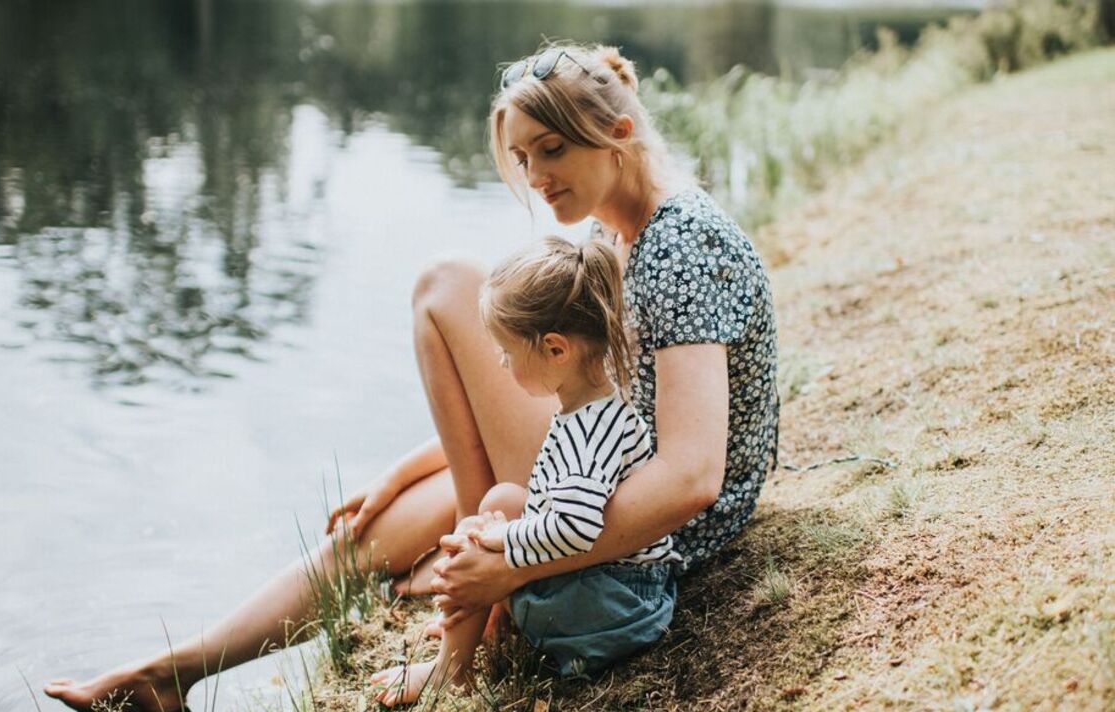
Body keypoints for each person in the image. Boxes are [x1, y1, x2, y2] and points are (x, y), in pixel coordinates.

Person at [44, 42, 777, 711]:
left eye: (550, 150)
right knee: (366, 531)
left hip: (655, 522)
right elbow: (581, 394)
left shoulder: (681, 244)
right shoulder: (611, 230)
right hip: (602, 463)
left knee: (447, 286)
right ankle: (176, 672)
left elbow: (691, 478)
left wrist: (510, 563)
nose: (536, 177)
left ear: (619, 136)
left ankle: (474, 589)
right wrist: (407, 468)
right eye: (523, 159)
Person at [370, 236, 680, 706]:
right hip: (625, 593)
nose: (499, 362)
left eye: (508, 353)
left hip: (617, 611)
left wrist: (499, 548)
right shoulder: (593, 406)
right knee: (499, 504)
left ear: (556, 350)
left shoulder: (588, 432)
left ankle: (450, 670)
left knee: (482, 531)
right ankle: (474, 633)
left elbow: (577, 528)